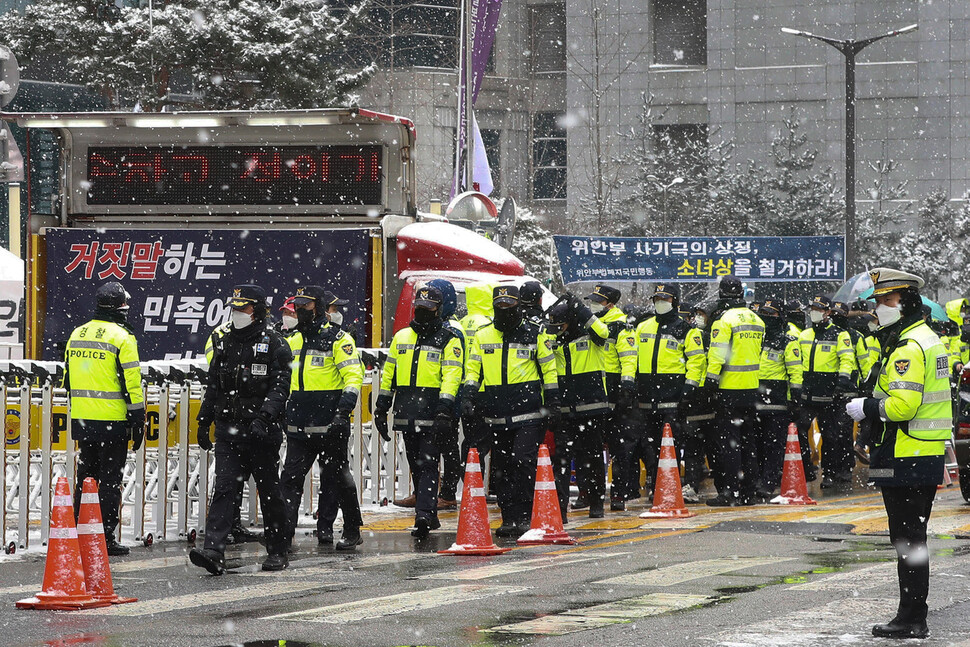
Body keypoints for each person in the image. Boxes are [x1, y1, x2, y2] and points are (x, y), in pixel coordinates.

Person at [844, 268, 951, 639]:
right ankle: (912, 614)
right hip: (921, 451)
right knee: (911, 538)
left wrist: (867, 408)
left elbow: (904, 405)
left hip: (905, 451)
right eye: (878, 301)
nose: (880, 308)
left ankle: (911, 618)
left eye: (887, 301)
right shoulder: (924, 337)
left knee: (907, 539)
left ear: (905, 301)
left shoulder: (908, 346)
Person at [190, 285, 292, 574]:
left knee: (268, 490)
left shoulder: (275, 343)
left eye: (243, 308)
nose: (237, 313)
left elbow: (280, 386)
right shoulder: (223, 341)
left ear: (257, 311)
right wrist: (203, 419)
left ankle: (277, 547)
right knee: (224, 488)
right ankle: (214, 550)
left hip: (261, 431)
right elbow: (214, 385)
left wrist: (265, 417)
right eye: (234, 308)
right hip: (228, 430)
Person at [463, 285, 559, 536]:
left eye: (509, 306)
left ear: (517, 306)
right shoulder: (483, 336)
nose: (504, 311)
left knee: (523, 460)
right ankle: (509, 517)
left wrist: (552, 401)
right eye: (500, 306)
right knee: (502, 467)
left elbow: (549, 369)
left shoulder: (535, 333)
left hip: (528, 413)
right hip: (495, 413)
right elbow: (474, 369)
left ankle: (526, 514)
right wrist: (469, 395)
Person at [278, 285, 365, 551]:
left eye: (307, 305)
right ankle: (283, 532)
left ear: (319, 307)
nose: (301, 310)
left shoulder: (339, 340)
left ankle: (350, 528)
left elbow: (353, 377)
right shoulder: (292, 340)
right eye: (299, 306)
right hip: (298, 425)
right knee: (290, 480)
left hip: (330, 425)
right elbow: (283, 380)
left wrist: (342, 411)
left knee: (338, 479)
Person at [375, 286, 463, 538]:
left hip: (433, 412)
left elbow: (451, 375)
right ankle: (429, 513)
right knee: (416, 463)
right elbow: (389, 375)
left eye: (428, 309)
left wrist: (445, 409)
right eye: (420, 308)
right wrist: (382, 407)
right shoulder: (401, 337)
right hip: (406, 412)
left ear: (438, 310)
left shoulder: (449, 338)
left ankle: (424, 513)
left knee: (427, 463)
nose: (423, 313)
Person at [64, 282, 144, 556]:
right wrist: (138, 417)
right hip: (112, 420)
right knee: (110, 480)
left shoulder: (78, 333)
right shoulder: (122, 337)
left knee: (86, 476)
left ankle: (77, 527)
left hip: (84, 418)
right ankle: (105, 535)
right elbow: (132, 381)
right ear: (120, 307)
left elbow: (68, 379)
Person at [633, 284, 705, 500]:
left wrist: (688, 389)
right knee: (650, 448)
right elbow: (633, 357)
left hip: (673, 401)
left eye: (664, 299)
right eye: (656, 299)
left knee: (672, 446)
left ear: (674, 301)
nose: (659, 303)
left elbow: (697, 361)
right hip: (646, 400)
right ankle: (656, 486)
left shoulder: (686, 330)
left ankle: (673, 486)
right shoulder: (643, 327)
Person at [546, 296, 611, 519]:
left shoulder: (591, 337)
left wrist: (583, 311)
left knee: (592, 458)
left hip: (592, 408)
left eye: (561, 326)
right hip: (564, 410)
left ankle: (596, 503)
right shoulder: (553, 339)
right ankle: (561, 508)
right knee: (562, 460)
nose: (557, 330)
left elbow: (603, 332)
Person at [704, 275, 764, 506]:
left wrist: (710, 381)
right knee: (749, 443)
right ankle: (749, 490)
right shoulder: (756, 319)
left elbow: (718, 353)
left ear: (721, 293)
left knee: (729, 444)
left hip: (729, 389)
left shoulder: (723, 319)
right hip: (752, 389)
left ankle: (729, 491)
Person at [586, 284, 638, 510]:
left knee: (619, 447)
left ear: (610, 303)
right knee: (592, 445)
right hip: (594, 387)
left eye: (599, 300)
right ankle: (589, 494)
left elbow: (629, 357)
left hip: (614, 389)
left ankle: (619, 493)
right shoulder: (589, 322)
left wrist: (626, 386)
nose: (594, 304)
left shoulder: (620, 324)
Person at [798, 295, 855, 488]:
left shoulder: (840, 335)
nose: (814, 312)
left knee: (830, 436)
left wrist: (842, 381)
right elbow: (797, 363)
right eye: (812, 308)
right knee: (799, 431)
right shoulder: (804, 335)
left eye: (819, 309)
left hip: (829, 394)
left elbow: (847, 360)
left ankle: (830, 473)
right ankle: (807, 470)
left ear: (828, 312)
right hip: (807, 393)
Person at [753, 298, 802, 500]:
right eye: (764, 313)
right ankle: (757, 479)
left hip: (778, 401)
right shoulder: (756, 341)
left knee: (773, 445)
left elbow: (795, 372)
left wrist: (795, 398)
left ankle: (769, 482)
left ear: (780, 317)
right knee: (756, 444)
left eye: (772, 314)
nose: (767, 317)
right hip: (755, 401)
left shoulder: (788, 343)